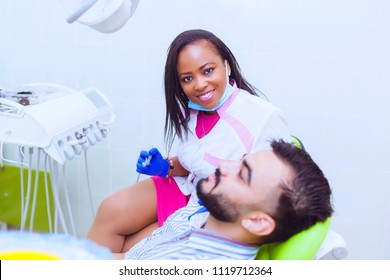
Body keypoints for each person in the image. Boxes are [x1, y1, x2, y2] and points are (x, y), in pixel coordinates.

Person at [87, 29, 291, 253]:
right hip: (188, 189)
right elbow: (198, 161)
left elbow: (276, 187)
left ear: (227, 66)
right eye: (187, 78)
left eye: (208, 71)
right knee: (111, 209)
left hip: (213, 209)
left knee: (132, 248)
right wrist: (167, 166)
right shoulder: (193, 111)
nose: (199, 85)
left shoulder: (262, 117)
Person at [114, 140, 333, 260]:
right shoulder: (201, 215)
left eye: (242, 175)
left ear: (257, 221)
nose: (223, 165)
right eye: (240, 161)